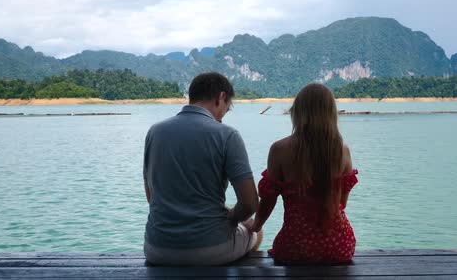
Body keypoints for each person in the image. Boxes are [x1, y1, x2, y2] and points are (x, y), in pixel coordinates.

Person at [143, 72, 262, 265]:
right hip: (211, 250)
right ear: (221, 97)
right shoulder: (228, 135)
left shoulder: (155, 132)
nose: (224, 115)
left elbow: (151, 196)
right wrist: (231, 217)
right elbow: (249, 204)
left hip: (157, 249)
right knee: (255, 230)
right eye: (227, 108)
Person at [250, 83, 358, 264]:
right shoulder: (342, 151)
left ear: (297, 112)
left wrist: (254, 228)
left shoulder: (279, 149)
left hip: (295, 247)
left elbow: (268, 202)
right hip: (340, 246)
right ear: (331, 113)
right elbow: (341, 203)